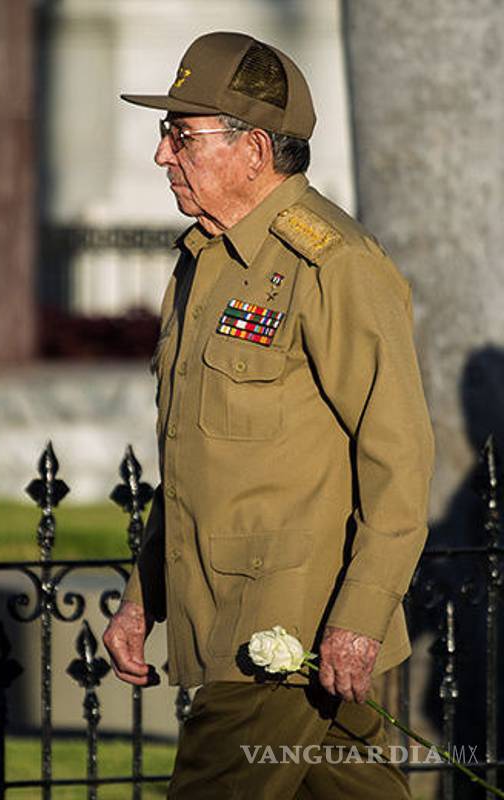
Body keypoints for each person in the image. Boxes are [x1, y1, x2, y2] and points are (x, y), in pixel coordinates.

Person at [101, 31, 434, 798]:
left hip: (282, 626)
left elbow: (399, 460)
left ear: (253, 148)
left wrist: (359, 619)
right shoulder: (206, 260)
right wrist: (140, 598)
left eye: (182, 136)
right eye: (166, 134)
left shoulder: (336, 265)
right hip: (244, 621)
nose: (163, 156)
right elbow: (196, 461)